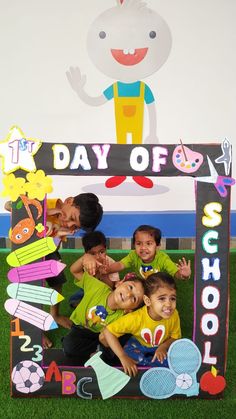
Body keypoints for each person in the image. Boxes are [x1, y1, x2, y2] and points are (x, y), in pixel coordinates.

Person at [5, 193, 103, 347]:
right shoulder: (46, 204)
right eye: (71, 217)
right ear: (69, 201)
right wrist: (47, 212)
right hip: (26, 253)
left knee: (57, 282)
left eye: (75, 226)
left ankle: (55, 315)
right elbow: (8, 205)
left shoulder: (65, 226)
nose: (69, 224)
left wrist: (58, 235)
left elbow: (54, 245)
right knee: (33, 290)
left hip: (46, 250)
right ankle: (35, 328)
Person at [62, 257, 144, 364]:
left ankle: (99, 352)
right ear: (119, 283)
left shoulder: (124, 316)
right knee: (69, 346)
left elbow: (110, 337)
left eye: (134, 298)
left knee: (119, 342)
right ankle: (97, 353)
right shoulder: (98, 287)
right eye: (130, 287)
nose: (128, 294)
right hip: (81, 329)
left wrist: (105, 344)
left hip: (102, 337)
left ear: (130, 309)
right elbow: (74, 270)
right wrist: (84, 259)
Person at [99, 272, 181, 377]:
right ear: (147, 301)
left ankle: (151, 365)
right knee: (131, 357)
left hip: (160, 346)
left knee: (171, 362)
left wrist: (163, 347)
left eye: (172, 298)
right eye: (162, 298)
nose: (168, 304)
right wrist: (122, 356)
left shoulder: (174, 315)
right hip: (138, 345)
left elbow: (175, 337)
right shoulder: (135, 318)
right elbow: (108, 332)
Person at [83, 225, 191, 281]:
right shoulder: (133, 255)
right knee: (130, 279)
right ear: (134, 245)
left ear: (157, 246)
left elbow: (175, 273)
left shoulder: (162, 258)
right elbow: (120, 264)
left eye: (149, 244)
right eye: (139, 243)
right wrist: (107, 269)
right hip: (142, 285)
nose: (143, 248)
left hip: (158, 287)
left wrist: (183, 275)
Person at [69, 230, 120, 307]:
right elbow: (74, 271)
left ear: (105, 249)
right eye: (92, 254)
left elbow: (110, 287)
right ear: (86, 253)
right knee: (74, 299)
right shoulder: (86, 262)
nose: (98, 257)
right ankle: (88, 304)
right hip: (90, 290)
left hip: (106, 292)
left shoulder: (112, 264)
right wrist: (84, 259)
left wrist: (103, 275)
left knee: (111, 299)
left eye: (101, 252)